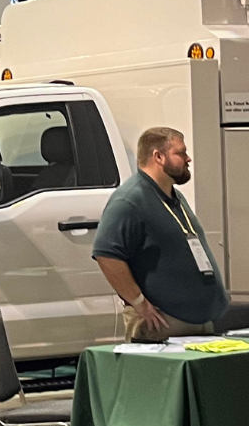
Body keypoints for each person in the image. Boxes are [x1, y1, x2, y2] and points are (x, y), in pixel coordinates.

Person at [93, 127, 228, 342]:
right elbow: (107, 255)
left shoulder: (174, 197)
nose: (188, 159)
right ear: (158, 156)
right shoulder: (130, 200)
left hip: (198, 322)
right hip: (163, 325)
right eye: (181, 153)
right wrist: (139, 303)